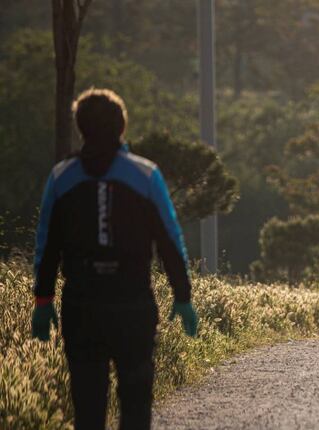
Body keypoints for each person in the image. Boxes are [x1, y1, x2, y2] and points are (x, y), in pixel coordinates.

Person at [30, 88, 199, 430]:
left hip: (82, 305)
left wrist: (42, 299)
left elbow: (47, 244)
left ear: (80, 128)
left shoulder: (61, 177)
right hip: (133, 303)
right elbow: (170, 240)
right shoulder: (146, 174)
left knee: (88, 406)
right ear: (122, 127)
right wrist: (182, 296)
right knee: (136, 402)